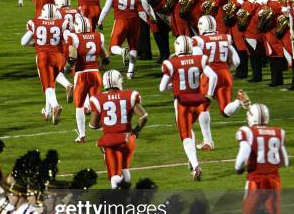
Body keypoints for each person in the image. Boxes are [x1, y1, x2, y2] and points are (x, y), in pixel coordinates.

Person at [159, 35, 217, 180]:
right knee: (190, 130)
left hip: (182, 104)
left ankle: (196, 166)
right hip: (198, 101)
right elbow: (213, 77)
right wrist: (209, 95)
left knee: (186, 136)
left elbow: (162, 88)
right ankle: (192, 161)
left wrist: (174, 84)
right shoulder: (200, 59)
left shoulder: (171, 63)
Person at [235, 103, 289, 214]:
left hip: (256, 180)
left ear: (252, 116)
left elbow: (243, 152)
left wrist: (238, 167)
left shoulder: (248, 132)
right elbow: (284, 161)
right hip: (274, 181)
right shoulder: (278, 132)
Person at [192, 14, 250, 150]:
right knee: (225, 110)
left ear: (202, 26)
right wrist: (226, 69)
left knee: (203, 107)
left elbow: (198, 62)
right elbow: (236, 61)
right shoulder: (226, 37)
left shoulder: (198, 40)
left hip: (209, 74)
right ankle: (239, 101)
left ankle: (208, 141)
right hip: (225, 74)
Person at [89, 69, 147, 188]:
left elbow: (93, 125)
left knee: (115, 174)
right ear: (118, 81)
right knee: (125, 167)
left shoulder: (98, 99)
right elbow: (144, 116)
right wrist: (136, 131)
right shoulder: (130, 95)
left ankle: (119, 203)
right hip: (128, 138)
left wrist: (104, 122)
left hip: (111, 140)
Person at [98, 0, 154, 79]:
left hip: (120, 20)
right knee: (133, 47)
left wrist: (100, 21)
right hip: (135, 21)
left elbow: (106, 8)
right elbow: (146, 6)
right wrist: (153, 17)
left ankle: (123, 51)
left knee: (113, 48)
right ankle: (130, 72)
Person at [21, 4, 71, 124]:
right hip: (58, 57)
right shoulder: (62, 23)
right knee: (52, 81)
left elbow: (23, 42)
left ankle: (55, 106)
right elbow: (68, 39)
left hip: (43, 56)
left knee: (47, 86)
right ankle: (48, 111)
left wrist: (34, 43)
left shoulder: (35, 23)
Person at [65, 14, 110, 142]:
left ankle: (82, 135)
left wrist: (67, 68)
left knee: (79, 105)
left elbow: (72, 57)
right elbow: (106, 58)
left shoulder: (74, 37)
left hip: (81, 74)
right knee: (97, 104)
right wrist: (98, 67)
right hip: (95, 73)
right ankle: (106, 129)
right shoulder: (98, 36)